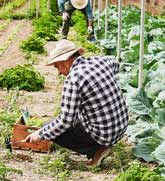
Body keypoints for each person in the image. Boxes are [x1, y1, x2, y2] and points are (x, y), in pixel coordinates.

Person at [25, 39, 127, 167]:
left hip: (104, 134)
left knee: (49, 126)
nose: (59, 72)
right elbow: (116, 65)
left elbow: (65, 121)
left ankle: (96, 149)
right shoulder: (101, 61)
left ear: (66, 61)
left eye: (57, 66)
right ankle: (101, 144)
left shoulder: (73, 79)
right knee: (77, 112)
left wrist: (40, 134)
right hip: (120, 127)